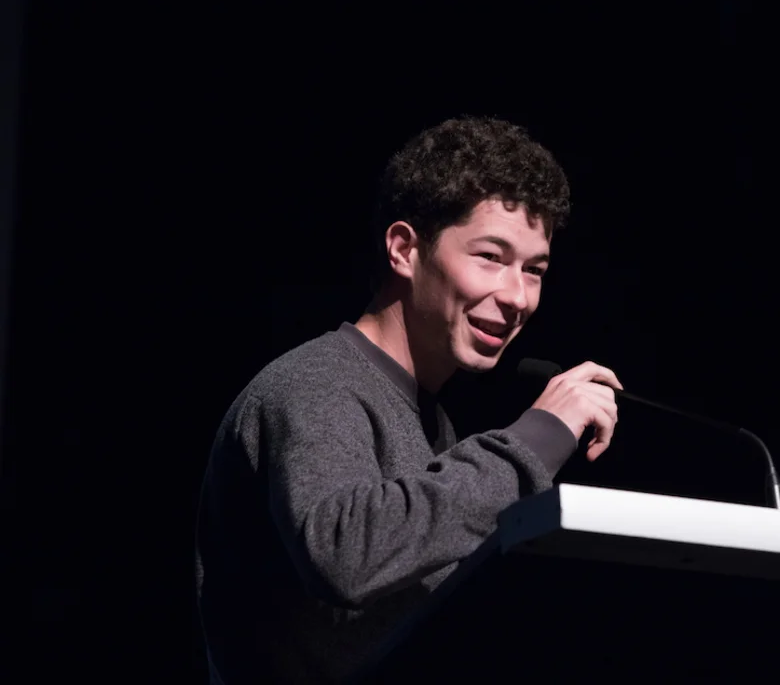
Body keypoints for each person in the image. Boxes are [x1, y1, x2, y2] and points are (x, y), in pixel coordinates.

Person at [194, 116, 622, 684]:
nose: (517, 296)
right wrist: (538, 438)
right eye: (490, 257)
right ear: (404, 250)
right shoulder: (315, 383)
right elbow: (346, 552)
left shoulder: (431, 422)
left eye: (535, 270)